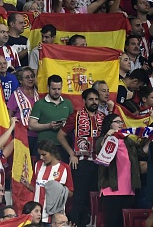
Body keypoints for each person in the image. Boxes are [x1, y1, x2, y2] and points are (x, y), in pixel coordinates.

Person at [57, 88, 104, 227]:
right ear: (84, 101)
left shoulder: (103, 116)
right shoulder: (76, 116)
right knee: (80, 198)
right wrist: (72, 153)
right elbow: (60, 136)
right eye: (91, 99)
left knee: (97, 197)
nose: (94, 102)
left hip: (100, 163)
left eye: (96, 99)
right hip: (82, 162)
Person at [96, 113, 146, 227]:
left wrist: (150, 140)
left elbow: (141, 152)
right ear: (109, 124)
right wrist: (107, 137)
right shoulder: (102, 140)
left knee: (125, 224)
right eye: (117, 122)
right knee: (112, 223)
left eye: (121, 122)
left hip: (129, 190)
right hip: (111, 190)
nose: (120, 124)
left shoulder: (128, 141)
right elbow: (100, 152)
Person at [21, 140, 74, 223]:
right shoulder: (38, 165)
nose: (41, 158)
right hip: (38, 216)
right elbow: (36, 189)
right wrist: (27, 185)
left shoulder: (64, 168)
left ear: (52, 153)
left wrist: (58, 188)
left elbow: (70, 193)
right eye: (40, 155)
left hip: (54, 217)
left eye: (44, 154)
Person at [29, 75, 74, 155]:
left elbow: (73, 124)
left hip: (64, 147)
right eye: (54, 89)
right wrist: (49, 126)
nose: (56, 92)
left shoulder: (68, 103)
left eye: (59, 89)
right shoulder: (39, 104)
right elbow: (31, 125)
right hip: (44, 147)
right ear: (48, 87)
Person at [8, 67, 40, 154]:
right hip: (23, 136)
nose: (30, 79)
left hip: (39, 135)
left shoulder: (39, 93)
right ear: (20, 81)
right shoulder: (15, 95)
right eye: (27, 77)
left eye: (32, 76)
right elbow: (9, 115)